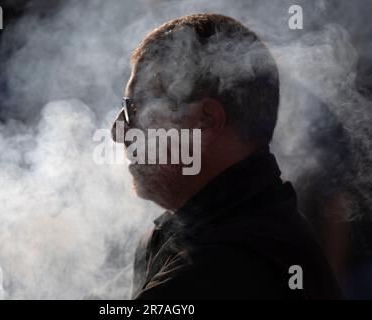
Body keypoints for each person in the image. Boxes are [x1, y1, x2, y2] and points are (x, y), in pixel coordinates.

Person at [111, 13, 342, 299]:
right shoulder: (255, 232)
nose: (119, 131)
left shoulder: (219, 266)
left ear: (206, 121)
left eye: (135, 110)